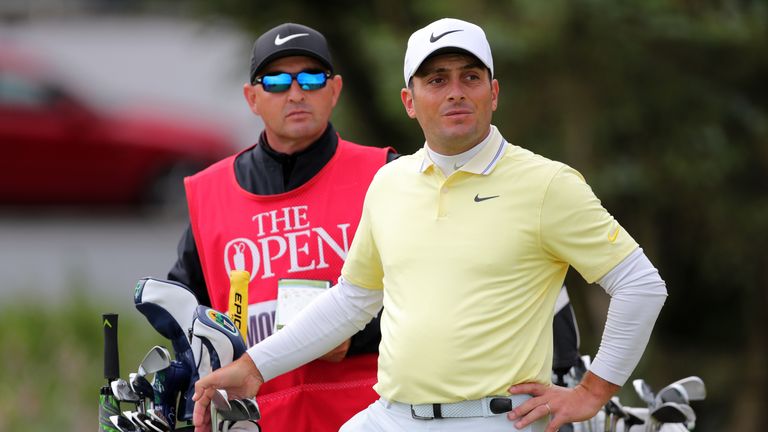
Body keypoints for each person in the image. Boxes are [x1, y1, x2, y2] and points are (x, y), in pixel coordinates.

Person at [191, 18, 668, 432]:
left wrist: (592, 390)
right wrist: (255, 366)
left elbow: (640, 286)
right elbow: (353, 300)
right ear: (410, 101)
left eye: (471, 77)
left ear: (493, 93)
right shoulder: (390, 183)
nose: (456, 90)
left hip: (496, 418)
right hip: (392, 416)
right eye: (436, 79)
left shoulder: (547, 184)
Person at [168, 22, 395, 431]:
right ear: (252, 98)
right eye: (275, 81)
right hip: (252, 417)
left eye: (311, 77)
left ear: (335, 89)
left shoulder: (385, 173)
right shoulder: (209, 192)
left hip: (371, 413)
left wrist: (355, 339)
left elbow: (432, 292)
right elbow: (184, 311)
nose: (296, 93)